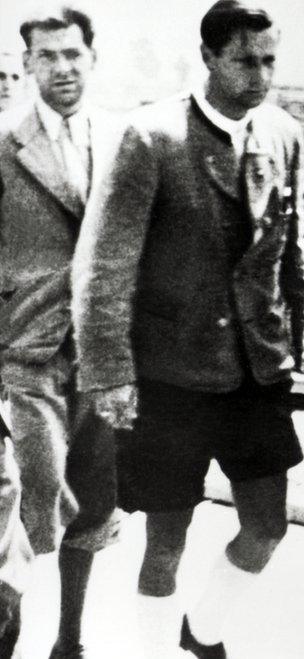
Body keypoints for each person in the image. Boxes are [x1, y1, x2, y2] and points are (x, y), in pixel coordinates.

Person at [71, 2, 304, 657]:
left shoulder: (283, 134)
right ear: (207, 57)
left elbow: (290, 257)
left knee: (266, 529)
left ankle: (203, 630)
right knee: (165, 543)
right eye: (244, 60)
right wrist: (111, 374)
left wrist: (293, 345)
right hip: (170, 375)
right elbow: (106, 265)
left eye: (269, 60)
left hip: (257, 371)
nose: (259, 75)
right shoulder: (152, 136)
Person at [0, 7, 122, 658]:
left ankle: (69, 640)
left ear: (92, 59)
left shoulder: (122, 142)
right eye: (46, 56)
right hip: (24, 362)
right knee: (24, 505)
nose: (62, 67)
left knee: (95, 504)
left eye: (72, 54)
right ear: (28, 66)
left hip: (100, 364)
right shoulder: (4, 144)